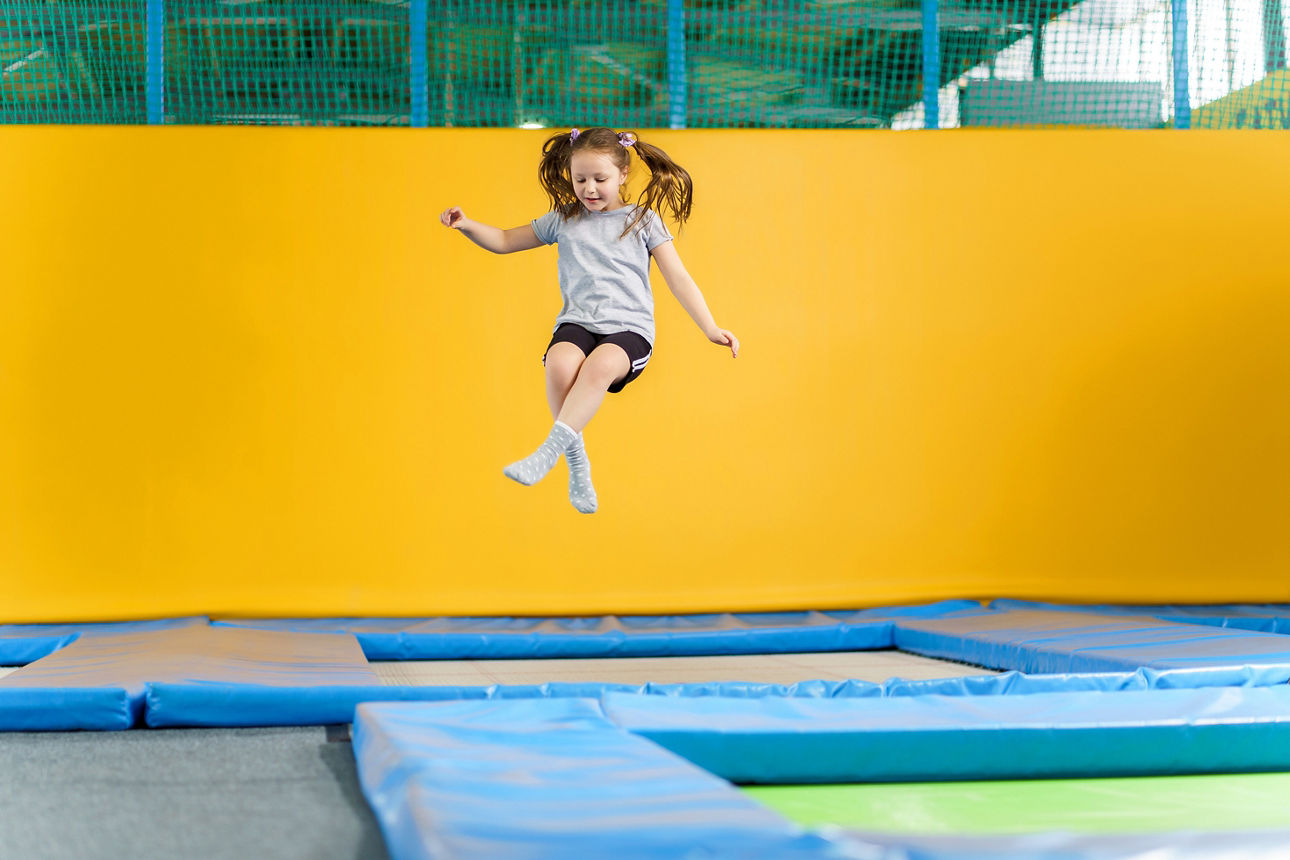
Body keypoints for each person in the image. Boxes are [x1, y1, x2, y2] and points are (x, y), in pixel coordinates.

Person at [440, 126, 739, 514]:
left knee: (597, 367)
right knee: (560, 365)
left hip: (628, 331)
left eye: (600, 179)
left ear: (623, 175)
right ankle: (577, 464)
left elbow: (678, 278)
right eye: (580, 179)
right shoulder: (565, 219)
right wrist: (467, 225)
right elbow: (504, 240)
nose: (589, 189)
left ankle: (548, 453)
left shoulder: (642, 221)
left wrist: (710, 328)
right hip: (578, 322)